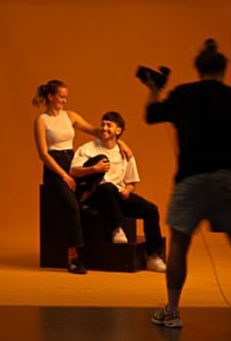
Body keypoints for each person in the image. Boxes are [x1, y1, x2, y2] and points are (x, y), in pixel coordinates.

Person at [143, 39, 231, 329]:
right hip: (225, 179)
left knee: (178, 244)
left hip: (190, 179)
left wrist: (154, 87)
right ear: (224, 69)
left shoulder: (182, 94)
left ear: (198, 69)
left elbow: (151, 114)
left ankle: (172, 311)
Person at [32, 79, 131, 275]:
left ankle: (84, 197)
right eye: (61, 97)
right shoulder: (41, 121)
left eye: (66, 97)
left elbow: (98, 131)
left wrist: (122, 143)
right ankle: (73, 258)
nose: (64, 101)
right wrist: (64, 175)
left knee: (100, 159)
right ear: (50, 97)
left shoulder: (70, 116)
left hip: (71, 160)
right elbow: (43, 154)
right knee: (71, 206)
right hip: (54, 168)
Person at [70, 110, 167, 272]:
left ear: (118, 130)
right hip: (97, 195)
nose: (104, 128)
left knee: (151, 209)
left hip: (117, 196)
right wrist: (94, 168)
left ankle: (153, 257)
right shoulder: (87, 149)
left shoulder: (125, 153)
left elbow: (131, 182)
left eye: (109, 125)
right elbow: (74, 171)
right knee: (107, 187)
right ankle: (115, 228)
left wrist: (127, 190)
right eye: (103, 124)